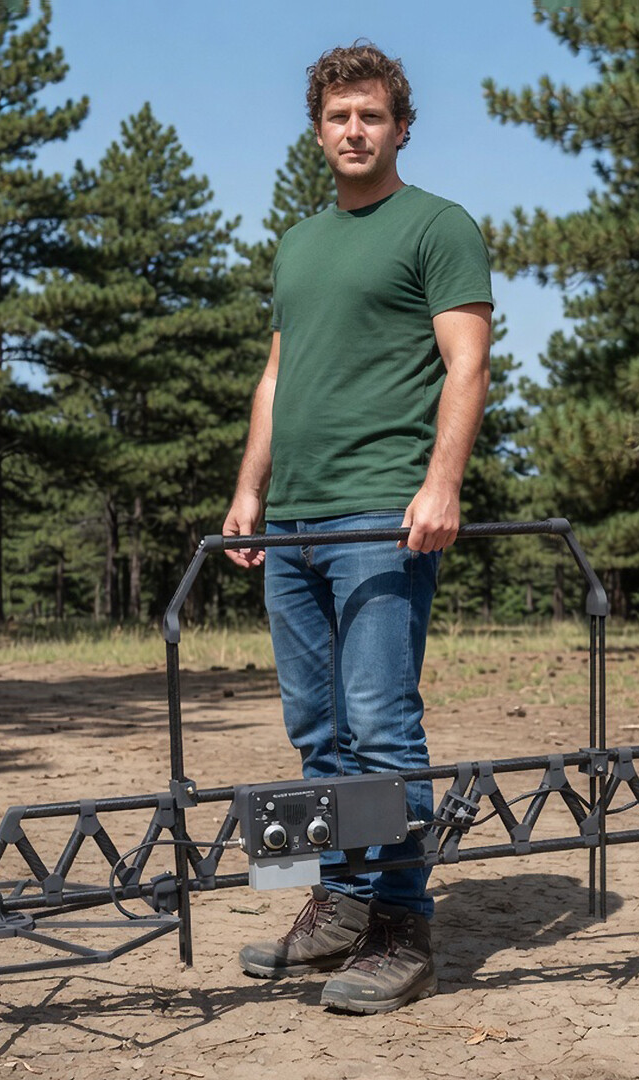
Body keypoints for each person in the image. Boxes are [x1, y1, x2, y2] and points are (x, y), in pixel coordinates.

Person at [222, 42, 493, 1014]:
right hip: (294, 521)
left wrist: (442, 484)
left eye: (371, 115)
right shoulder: (298, 243)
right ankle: (337, 907)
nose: (354, 130)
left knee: (380, 725)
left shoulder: (438, 226)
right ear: (317, 131)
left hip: (382, 513)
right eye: (338, 116)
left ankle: (402, 930)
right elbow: (277, 376)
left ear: (401, 127)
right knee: (317, 728)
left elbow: (467, 365)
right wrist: (249, 490)